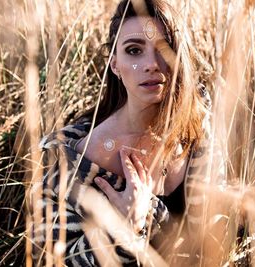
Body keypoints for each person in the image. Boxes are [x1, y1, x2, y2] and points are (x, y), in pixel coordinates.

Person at [32, 0, 211, 265]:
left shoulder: (197, 125)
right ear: (115, 65)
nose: (152, 63)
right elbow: (48, 260)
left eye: (164, 48)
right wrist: (123, 230)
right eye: (134, 50)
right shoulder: (76, 161)